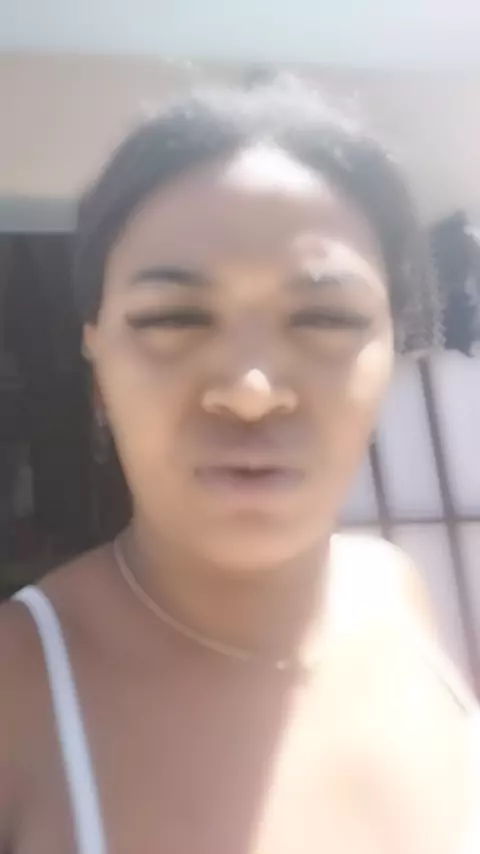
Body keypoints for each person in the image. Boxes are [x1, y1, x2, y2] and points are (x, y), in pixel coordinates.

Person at [0, 75, 478, 854]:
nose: (251, 392)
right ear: (98, 359)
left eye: (325, 317)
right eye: (173, 317)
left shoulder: (396, 592)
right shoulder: (17, 696)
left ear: (392, 348)